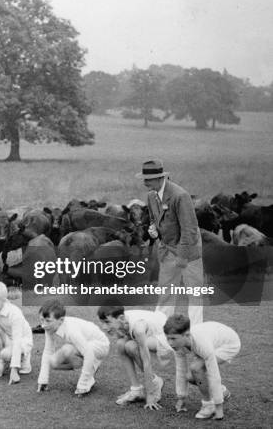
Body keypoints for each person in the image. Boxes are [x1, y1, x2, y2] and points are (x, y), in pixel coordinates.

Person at [136, 159, 204, 325]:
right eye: (144, 179)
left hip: (188, 252)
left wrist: (182, 256)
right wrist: (153, 229)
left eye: (149, 180)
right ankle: (160, 330)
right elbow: (155, 219)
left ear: (161, 178)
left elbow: (190, 229)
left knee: (194, 293)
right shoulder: (151, 195)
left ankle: (196, 332)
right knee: (165, 292)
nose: (145, 183)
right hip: (166, 250)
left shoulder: (180, 196)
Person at [164, 314, 240, 420]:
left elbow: (214, 374)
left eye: (173, 339)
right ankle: (222, 392)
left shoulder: (202, 344)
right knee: (190, 377)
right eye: (168, 338)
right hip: (212, 340)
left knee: (196, 368)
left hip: (228, 344)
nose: (170, 343)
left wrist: (219, 409)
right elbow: (181, 370)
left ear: (186, 335)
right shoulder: (178, 345)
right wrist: (181, 398)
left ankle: (209, 406)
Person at [97, 305, 171, 410]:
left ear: (121, 318)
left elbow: (147, 361)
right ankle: (136, 390)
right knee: (120, 344)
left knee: (131, 346)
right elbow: (122, 340)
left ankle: (155, 383)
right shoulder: (121, 323)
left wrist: (150, 396)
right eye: (102, 323)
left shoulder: (138, 329)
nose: (104, 327)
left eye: (107, 322)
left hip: (166, 336)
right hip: (149, 335)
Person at [37, 300, 110, 396]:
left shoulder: (71, 331)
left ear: (61, 320)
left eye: (48, 321)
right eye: (42, 320)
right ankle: (88, 367)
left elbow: (88, 353)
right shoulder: (49, 327)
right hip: (87, 346)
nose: (43, 325)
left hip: (101, 346)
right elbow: (48, 351)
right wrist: (43, 380)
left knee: (68, 350)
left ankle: (88, 375)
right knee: (53, 362)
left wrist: (82, 385)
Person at [0, 279, 33, 384]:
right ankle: (1, 363)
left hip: (22, 341)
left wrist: (14, 371)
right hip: (7, 338)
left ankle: (24, 359)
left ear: (3, 301)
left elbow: (17, 340)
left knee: (6, 354)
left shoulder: (15, 313)